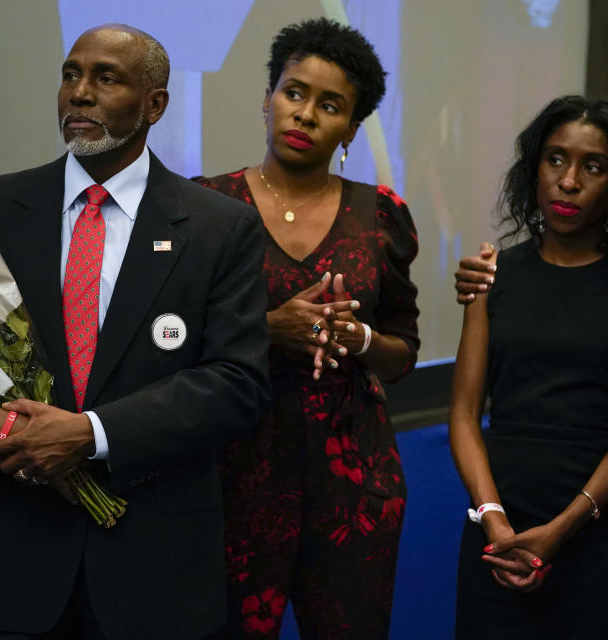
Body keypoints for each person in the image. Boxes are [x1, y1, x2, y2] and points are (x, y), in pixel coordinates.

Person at [0, 24, 271, 639]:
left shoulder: (217, 227)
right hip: (21, 563)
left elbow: (237, 384)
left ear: (155, 104)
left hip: (156, 571)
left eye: (106, 78)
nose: (79, 93)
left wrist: (91, 434)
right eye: (71, 74)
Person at [192, 18, 419, 639]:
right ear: (267, 98)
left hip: (353, 484)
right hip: (230, 475)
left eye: (330, 105)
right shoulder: (203, 208)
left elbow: (403, 353)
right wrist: (267, 329)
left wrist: (360, 340)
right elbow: (168, 341)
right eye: (294, 93)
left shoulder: (382, 216)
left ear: (350, 125)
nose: (306, 115)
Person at [448, 96, 608, 639]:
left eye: (593, 166)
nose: (568, 181)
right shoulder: (491, 275)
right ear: (534, 167)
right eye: (556, 159)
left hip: (598, 524)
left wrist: (563, 528)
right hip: (498, 526)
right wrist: (494, 520)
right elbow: (466, 415)